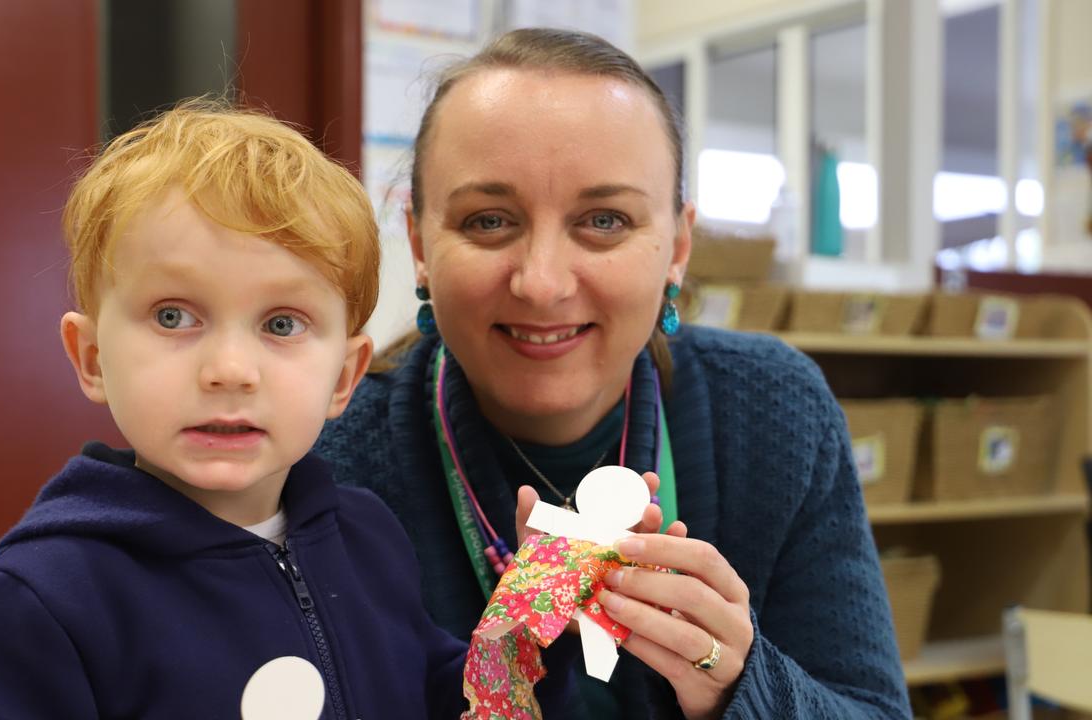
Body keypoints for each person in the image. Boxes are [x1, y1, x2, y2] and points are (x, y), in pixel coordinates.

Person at [315, 28, 909, 719]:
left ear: (678, 247)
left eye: (603, 220)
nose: (542, 284)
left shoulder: (775, 411)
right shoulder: (327, 449)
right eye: (488, 221)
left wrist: (738, 683)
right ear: (419, 244)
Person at [0, 100, 569, 718]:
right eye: (174, 316)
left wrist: (527, 615)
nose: (230, 371)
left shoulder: (369, 537)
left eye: (282, 324)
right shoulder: (38, 598)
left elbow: (456, 704)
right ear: (92, 357)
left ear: (343, 376)